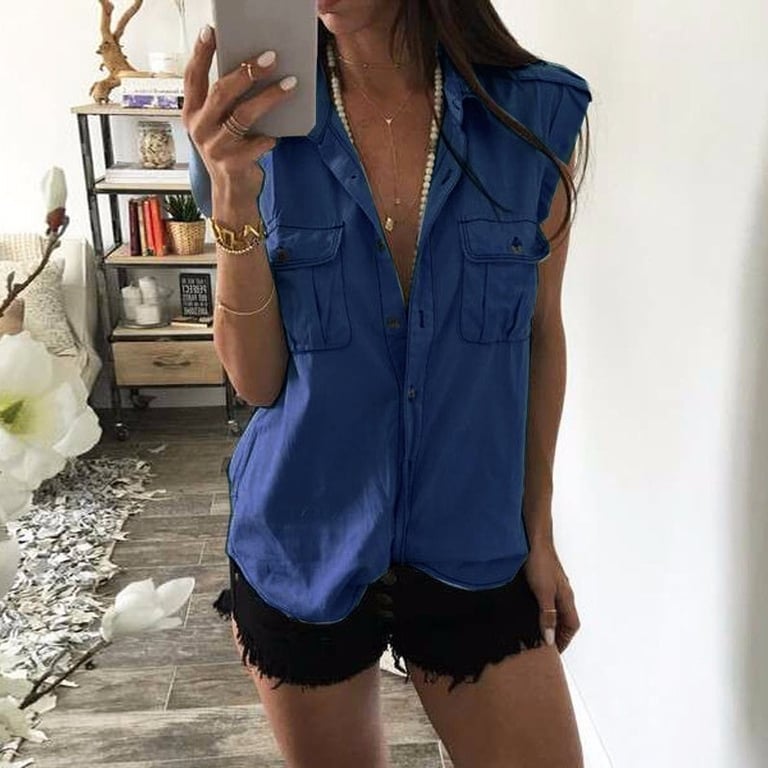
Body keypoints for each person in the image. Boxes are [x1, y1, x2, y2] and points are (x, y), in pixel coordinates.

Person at [185, 1, 592, 765]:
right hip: (303, 538)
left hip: (475, 538)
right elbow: (256, 382)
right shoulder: (248, 121)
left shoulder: (533, 114)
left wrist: (539, 533)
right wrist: (233, 193)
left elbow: (541, 336)